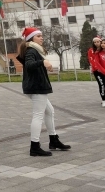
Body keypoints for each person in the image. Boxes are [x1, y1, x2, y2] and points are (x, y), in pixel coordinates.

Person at [16, 27, 71, 156]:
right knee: (38, 115)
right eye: (39, 36)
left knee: (49, 111)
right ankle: (34, 146)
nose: (42, 38)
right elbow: (29, 65)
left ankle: (54, 140)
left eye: (41, 36)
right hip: (37, 87)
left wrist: (43, 63)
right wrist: (43, 62)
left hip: (36, 86)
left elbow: (33, 65)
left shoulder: (34, 50)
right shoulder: (31, 50)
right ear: (31, 38)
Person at [88, 37, 105, 106]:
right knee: (101, 84)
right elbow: (91, 60)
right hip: (96, 70)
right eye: (95, 42)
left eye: (98, 42)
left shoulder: (104, 50)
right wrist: (96, 68)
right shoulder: (91, 50)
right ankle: (104, 99)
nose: (96, 43)